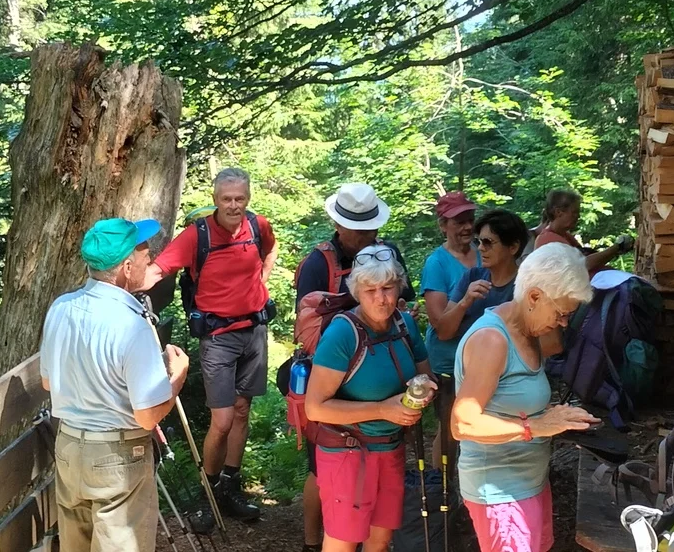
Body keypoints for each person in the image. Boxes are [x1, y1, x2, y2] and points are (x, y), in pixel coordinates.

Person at [40, 217, 191, 552]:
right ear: (126, 267)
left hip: (68, 447)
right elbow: (148, 417)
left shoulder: (60, 308)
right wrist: (176, 376)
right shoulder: (130, 324)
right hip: (118, 457)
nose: (149, 257)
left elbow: (48, 382)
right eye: (142, 254)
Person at [142, 168, 278, 523]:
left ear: (248, 198)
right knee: (223, 419)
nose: (234, 206)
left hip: (254, 331)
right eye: (226, 199)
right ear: (215, 199)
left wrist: (259, 285)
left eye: (240, 199)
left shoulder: (258, 226)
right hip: (218, 337)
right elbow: (159, 269)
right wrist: (119, 289)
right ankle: (208, 492)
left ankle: (230, 486)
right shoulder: (196, 235)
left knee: (243, 409)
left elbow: (270, 251)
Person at [452, 243, 600, 552]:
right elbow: (463, 425)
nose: (562, 323)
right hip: (500, 491)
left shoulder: (530, 334)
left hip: (529, 481)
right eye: (561, 314)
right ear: (534, 296)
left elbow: (517, 403)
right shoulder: (491, 340)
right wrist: (537, 427)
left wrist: (559, 418)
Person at [293, 181, 415, 552]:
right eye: (358, 228)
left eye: (370, 227)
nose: (365, 235)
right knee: (320, 474)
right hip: (334, 377)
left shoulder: (386, 254)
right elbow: (308, 321)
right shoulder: (318, 263)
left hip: (384, 431)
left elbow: (405, 301)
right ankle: (312, 542)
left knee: (380, 528)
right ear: (339, 224)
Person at [304, 245, 434, 552]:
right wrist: (383, 409)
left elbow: (425, 376)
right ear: (357, 292)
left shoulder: (404, 324)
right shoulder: (343, 334)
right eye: (370, 289)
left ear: (399, 287)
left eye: (388, 287)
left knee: (380, 541)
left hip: (391, 448)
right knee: (343, 544)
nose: (381, 297)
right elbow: (315, 408)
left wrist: (423, 392)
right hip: (347, 453)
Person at [534, 189, 633, 274]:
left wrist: (616, 250)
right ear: (558, 212)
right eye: (574, 212)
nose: (578, 216)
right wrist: (617, 247)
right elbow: (584, 264)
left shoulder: (565, 236)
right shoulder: (547, 238)